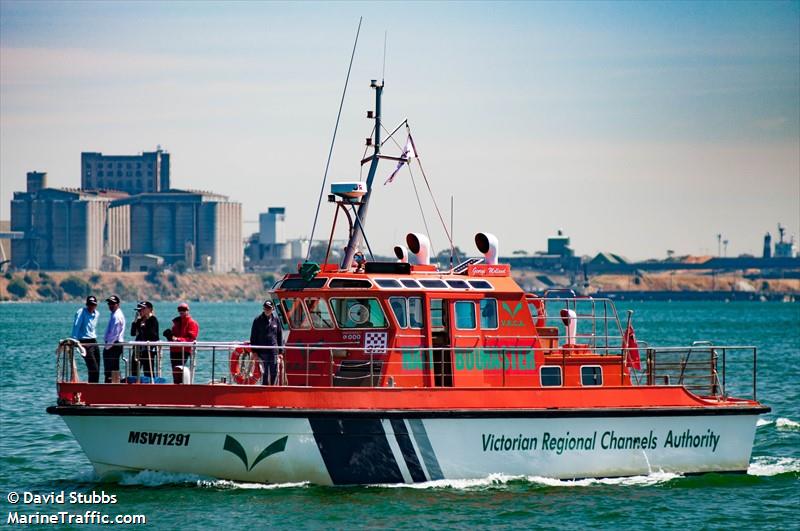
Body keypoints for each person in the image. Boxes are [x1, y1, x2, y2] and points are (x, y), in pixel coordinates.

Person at [163, 302, 199, 384]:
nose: (181, 311)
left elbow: (191, 339)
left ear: (187, 311)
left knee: (179, 370)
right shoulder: (176, 323)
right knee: (175, 371)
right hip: (174, 350)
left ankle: (180, 386)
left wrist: (177, 339)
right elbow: (174, 338)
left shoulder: (192, 323)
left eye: (184, 309)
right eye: (180, 310)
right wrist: (169, 337)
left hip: (184, 350)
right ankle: (177, 386)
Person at [250, 300, 283, 385]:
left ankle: (273, 389)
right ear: (263, 308)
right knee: (264, 373)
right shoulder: (257, 320)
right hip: (262, 352)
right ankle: (264, 390)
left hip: (274, 352)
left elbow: (279, 336)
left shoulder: (276, 320)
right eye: (266, 308)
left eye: (269, 308)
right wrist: (254, 351)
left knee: (274, 372)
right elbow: (253, 337)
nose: (267, 310)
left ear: (273, 309)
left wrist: (280, 352)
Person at [70, 295, 100, 383]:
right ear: (87, 305)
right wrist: (74, 340)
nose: (91, 307)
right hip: (84, 341)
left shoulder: (97, 314)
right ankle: (92, 387)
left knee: (97, 366)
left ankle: (95, 386)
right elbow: (76, 326)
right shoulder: (81, 312)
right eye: (89, 305)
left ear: (96, 305)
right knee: (93, 367)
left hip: (94, 341)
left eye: (93, 305)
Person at [130, 301, 159, 378]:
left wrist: (144, 327)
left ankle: (150, 385)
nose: (140, 311)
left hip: (148, 349)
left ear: (149, 309)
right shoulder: (139, 320)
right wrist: (135, 320)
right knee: (134, 370)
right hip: (138, 348)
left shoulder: (153, 320)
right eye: (138, 310)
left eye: (142, 309)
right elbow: (133, 333)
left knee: (148, 371)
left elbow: (153, 335)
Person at [102, 295, 126, 383]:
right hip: (113, 344)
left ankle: (111, 386)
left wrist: (107, 346)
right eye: (109, 303)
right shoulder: (113, 314)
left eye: (113, 303)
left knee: (111, 368)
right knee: (112, 369)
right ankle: (113, 385)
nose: (110, 305)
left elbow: (114, 334)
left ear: (118, 304)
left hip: (114, 345)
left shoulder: (117, 316)